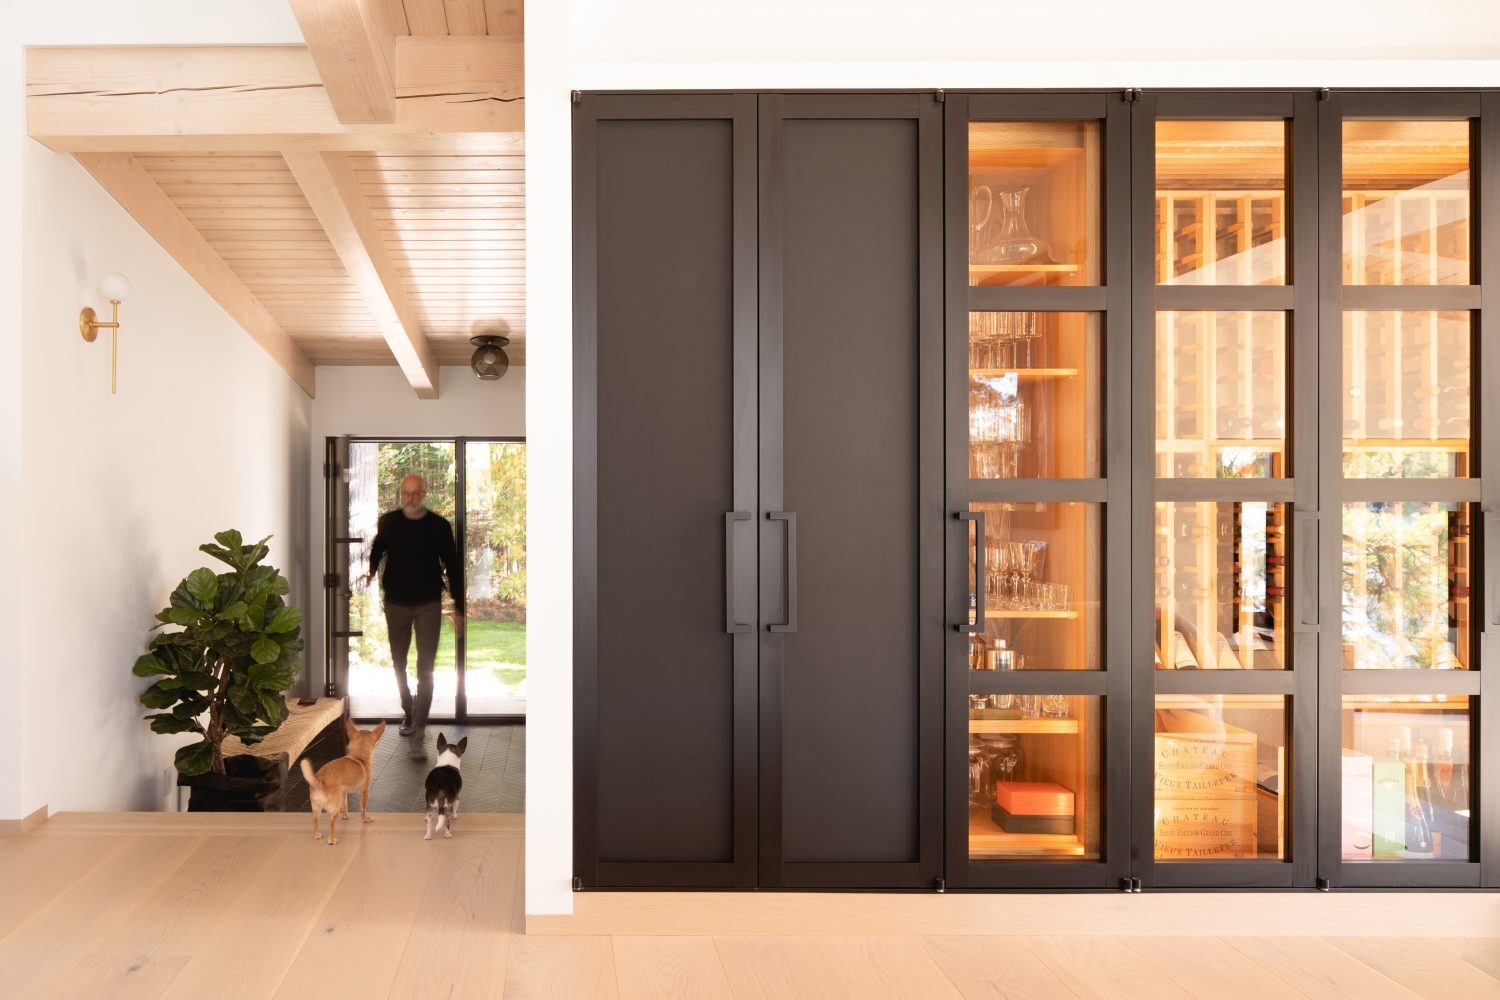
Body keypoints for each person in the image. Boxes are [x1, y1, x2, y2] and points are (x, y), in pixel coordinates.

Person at [364, 474, 464, 758]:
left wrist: (458, 607)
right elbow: (377, 548)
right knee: (399, 663)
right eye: (405, 494)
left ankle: (418, 733)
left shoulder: (439, 527)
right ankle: (408, 708)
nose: (410, 498)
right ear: (401, 494)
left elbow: (453, 566)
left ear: (424, 493)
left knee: (426, 669)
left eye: (415, 493)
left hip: (428, 603)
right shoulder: (390, 522)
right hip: (395, 602)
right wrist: (371, 573)